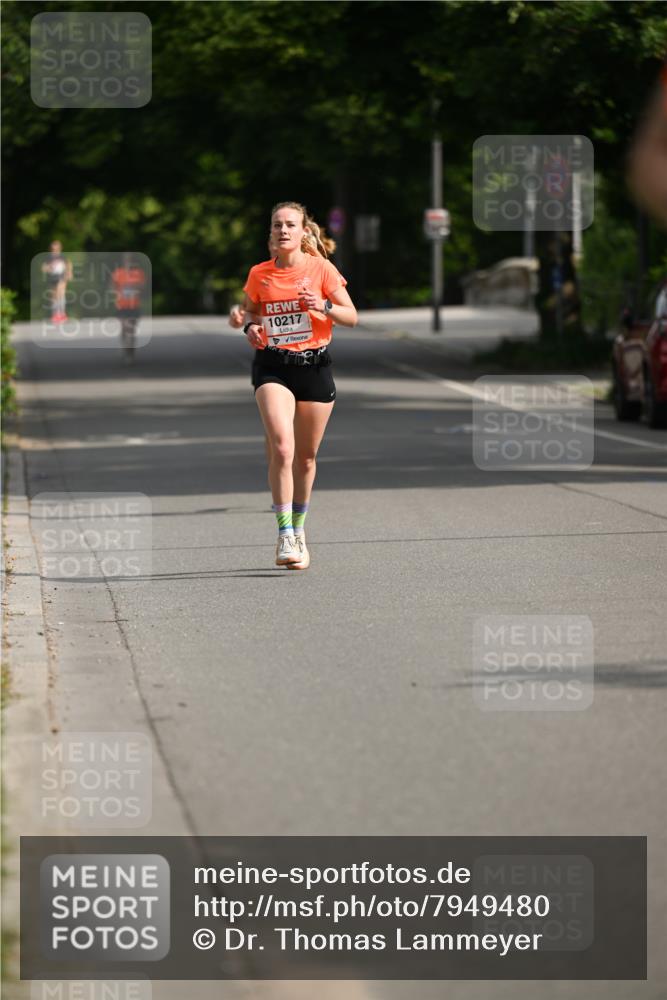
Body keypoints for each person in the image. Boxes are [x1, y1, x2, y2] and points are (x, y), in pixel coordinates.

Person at [242, 201, 357, 569]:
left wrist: (322, 306)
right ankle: (284, 535)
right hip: (273, 366)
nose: (283, 231)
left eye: (290, 225)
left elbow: (351, 316)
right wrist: (250, 327)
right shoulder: (260, 274)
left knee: (306, 458)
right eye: (277, 225)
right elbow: (250, 311)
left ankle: (301, 528)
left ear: (304, 231)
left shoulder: (321, 269)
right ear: (271, 233)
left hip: (314, 366)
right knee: (282, 446)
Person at [111, 252, 146, 362]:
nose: (129, 262)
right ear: (123, 261)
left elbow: (143, 287)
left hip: (134, 306)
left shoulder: (138, 273)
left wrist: (135, 286)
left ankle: (130, 353)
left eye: (131, 260)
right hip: (121, 306)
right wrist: (116, 294)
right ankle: (125, 349)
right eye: (127, 259)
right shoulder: (118, 273)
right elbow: (112, 287)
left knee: (131, 330)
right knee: (124, 328)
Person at [41, 240, 72, 323]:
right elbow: (44, 267)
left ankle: (62, 313)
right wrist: (48, 268)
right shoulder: (49, 257)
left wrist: (69, 273)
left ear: (60, 248)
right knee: (54, 296)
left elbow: (68, 264)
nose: (55, 250)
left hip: (61, 277)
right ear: (51, 249)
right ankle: (55, 314)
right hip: (52, 278)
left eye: (57, 248)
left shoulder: (62, 257)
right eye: (53, 248)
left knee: (61, 293)